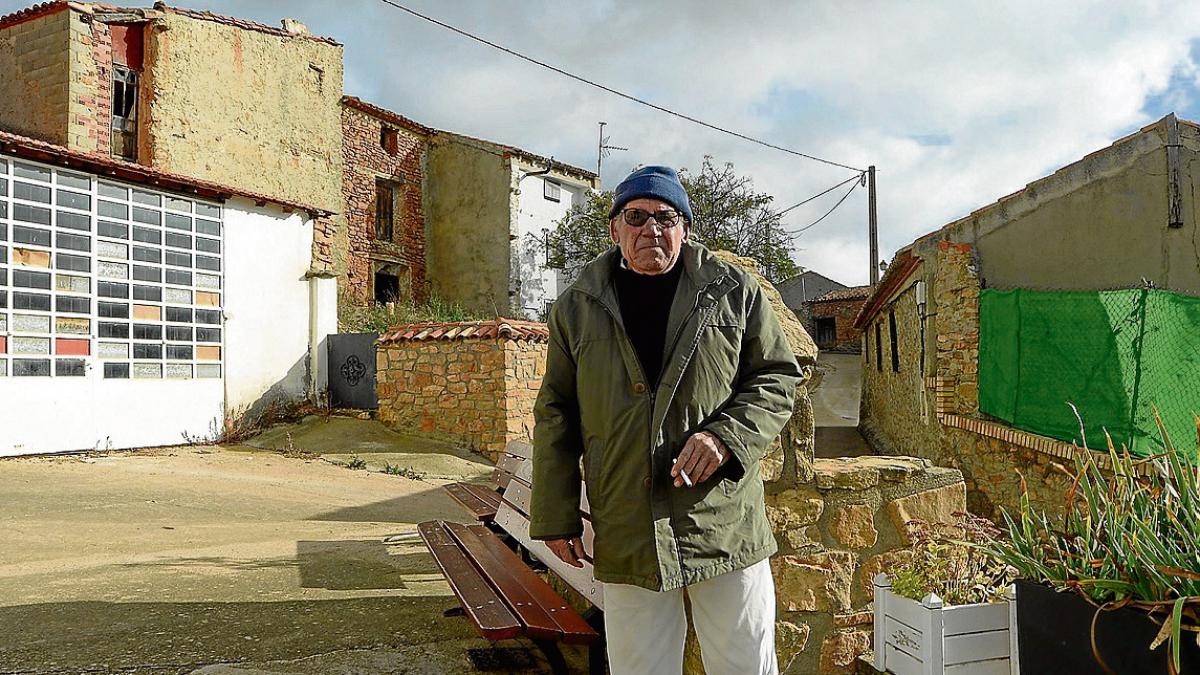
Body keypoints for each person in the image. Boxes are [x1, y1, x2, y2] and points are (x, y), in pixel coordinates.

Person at [529, 165, 801, 674]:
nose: (650, 228)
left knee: (745, 665)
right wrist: (555, 513)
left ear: (686, 229)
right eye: (636, 216)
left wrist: (725, 437)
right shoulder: (577, 307)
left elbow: (778, 377)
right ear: (614, 228)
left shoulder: (733, 291)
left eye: (666, 217)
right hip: (628, 529)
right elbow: (556, 413)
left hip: (722, 522)